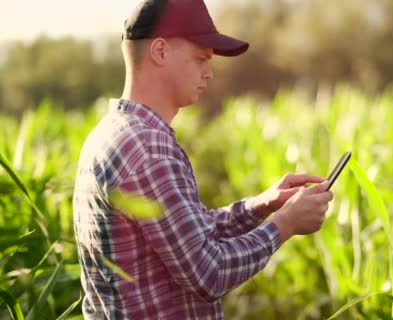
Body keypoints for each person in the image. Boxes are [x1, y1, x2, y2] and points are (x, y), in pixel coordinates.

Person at [72, 0, 334, 318]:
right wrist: (286, 224)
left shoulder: (111, 134)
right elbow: (208, 273)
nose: (209, 74)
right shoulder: (148, 149)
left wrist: (263, 205)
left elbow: (184, 234)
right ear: (160, 51)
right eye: (201, 59)